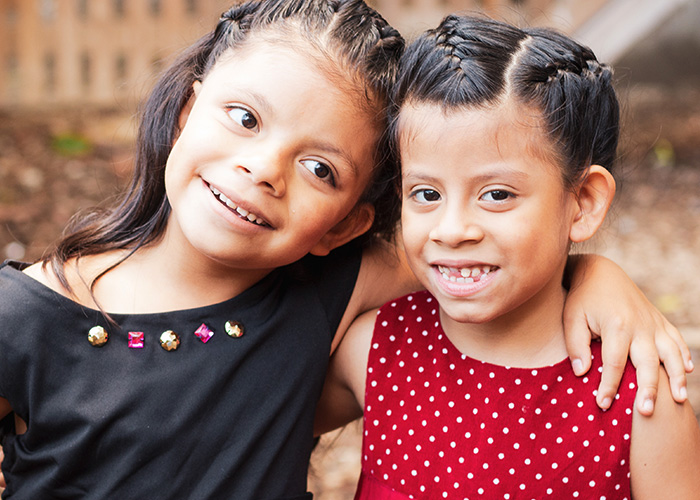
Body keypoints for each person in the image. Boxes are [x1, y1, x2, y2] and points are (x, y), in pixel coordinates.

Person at [0, 1, 690, 498]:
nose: (265, 168)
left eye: (321, 168)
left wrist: (592, 272)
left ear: (347, 223)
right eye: (244, 118)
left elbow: (484, 261)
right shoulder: (23, 318)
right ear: (187, 107)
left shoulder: (327, 293)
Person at [314, 14, 700, 500]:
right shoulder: (373, 348)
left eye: (496, 195)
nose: (453, 230)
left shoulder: (639, 396)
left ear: (582, 202)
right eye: (426, 193)